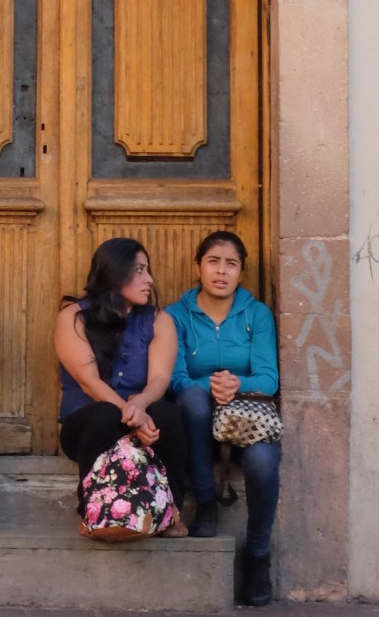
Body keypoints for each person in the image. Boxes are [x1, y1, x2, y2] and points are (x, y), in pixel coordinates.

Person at [166, 230, 280, 607]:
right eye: (213, 261)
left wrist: (238, 383)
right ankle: (206, 503)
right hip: (196, 421)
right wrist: (212, 385)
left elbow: (269, 378)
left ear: (241, 272)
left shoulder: (256, 314)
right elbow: (175, 378)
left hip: (245, 418)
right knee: (192, 397)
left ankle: (258, 556)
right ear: (198, 266)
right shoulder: (175, 316)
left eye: (231, 264)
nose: (221, 271)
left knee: (263, 461)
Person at [55, 237, 188, 535]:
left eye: (148, 270)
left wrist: (140, 405)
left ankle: (171, 513)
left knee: (169, 415)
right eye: (139, 270)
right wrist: (131, 416)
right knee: (104, 414)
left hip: (144, 418)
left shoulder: (160, 321)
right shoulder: (73, 317)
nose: (149, 279)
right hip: (89, 425)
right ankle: (92, 512)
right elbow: (89, 382)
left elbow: (159, 379)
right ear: (115, 273)